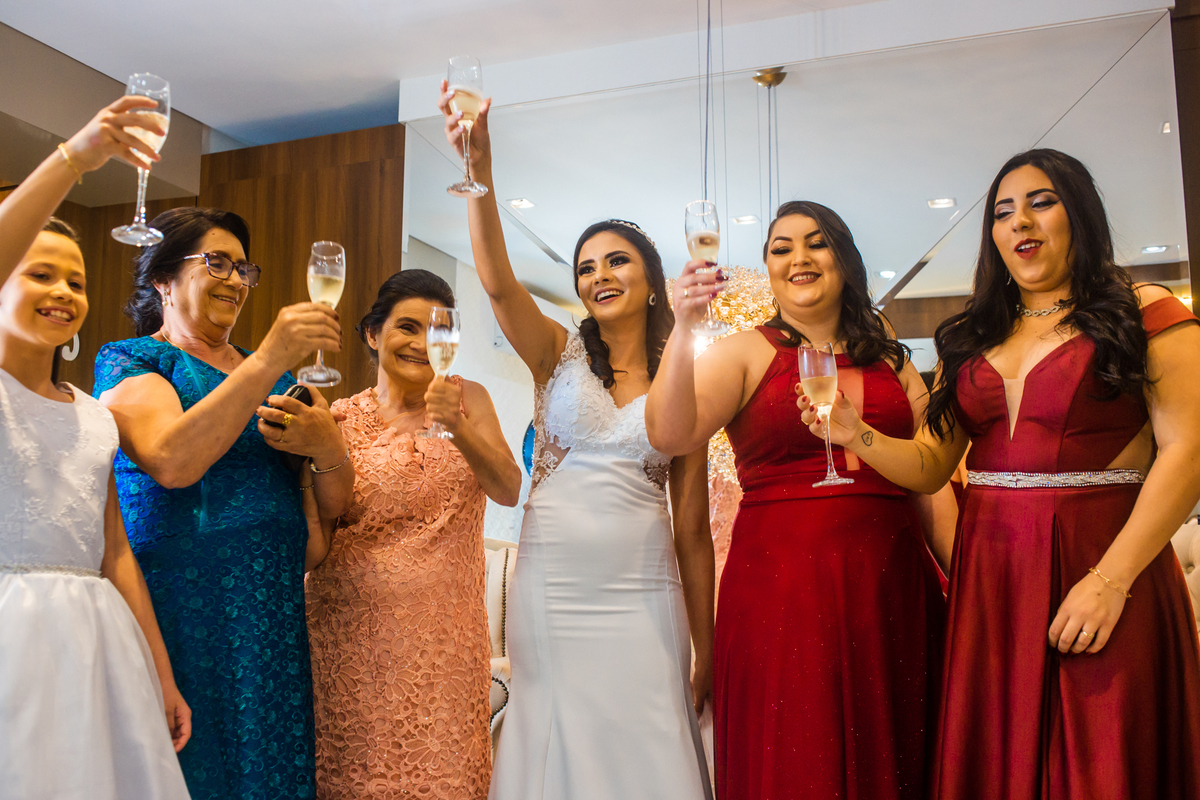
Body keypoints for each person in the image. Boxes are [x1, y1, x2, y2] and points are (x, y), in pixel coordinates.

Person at [804, 149, 1200, 799]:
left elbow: (1188, 451)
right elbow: (930, 466)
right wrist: (857, 434)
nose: (1021, 222)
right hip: (992, 582)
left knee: (1104, 761)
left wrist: (1111, 580)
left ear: (1080, 213)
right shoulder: (971, 336)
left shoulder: (1145, 310)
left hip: (1103, 563)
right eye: (1003, 212)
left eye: (1042, 202)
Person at [439, 85, 714, 800]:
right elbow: (497, 283)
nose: (599, 276)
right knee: (553, 733)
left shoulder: (683, 376)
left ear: (651, 281)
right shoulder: (556, 354)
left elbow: (693, 530)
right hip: (554, 586)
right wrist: (480, 166)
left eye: (616, 261)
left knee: (646, 736)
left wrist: (706, 646)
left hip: (645, 589)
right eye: (587, 267)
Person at [646, 201, 949, 800]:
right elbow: (668, 434)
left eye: (815, 243)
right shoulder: (743, 352)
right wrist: (683, 328)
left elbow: (930, 478)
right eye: (781, 248)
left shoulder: (892, 360)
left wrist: (966, 581)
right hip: (781, 595)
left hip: (891, 590)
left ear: (845, 259)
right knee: (798, 760)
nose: (798, 258)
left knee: (897, 755)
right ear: (768, 267)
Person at [94, 206, 354, 799]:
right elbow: (171, 460)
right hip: (184, 608)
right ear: (163, 278)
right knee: (193, 771)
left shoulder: (279, 385)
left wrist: (326, 447)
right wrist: (269, 356)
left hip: (271, 612)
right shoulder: (132, 359)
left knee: (270, 770)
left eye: (243, 269)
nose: (236, 280)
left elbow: (332, 511)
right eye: (217, 263)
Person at [0, 99, 190, 798]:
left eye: (76, 281)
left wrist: (160, 674)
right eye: (39, 273)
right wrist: (75, 158)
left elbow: (115, 553)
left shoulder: (94, 416)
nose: (62, 292)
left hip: (94, 643)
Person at [305, 269, 522, 799]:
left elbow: (508, 487)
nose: (422, 343)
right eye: (407, 327)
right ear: (372, 333)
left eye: (439, 331)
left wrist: (459, 425)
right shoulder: (336, 419)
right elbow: (316, 539)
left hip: (444, 650)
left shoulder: (470, 398)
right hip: (350, 647)